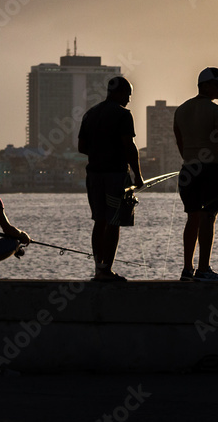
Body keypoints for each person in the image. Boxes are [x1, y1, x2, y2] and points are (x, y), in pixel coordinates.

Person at [173, 67, 218, 281]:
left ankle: (187, 269)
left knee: (192, 217)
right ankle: (203, 269)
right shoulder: (216, 111)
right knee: (208, 217)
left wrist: (190, 160)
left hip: (188, 170)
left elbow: (180, 141)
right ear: (205, 85)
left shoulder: (181, 110)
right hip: (211, 170)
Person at [78, 75, 145, 282]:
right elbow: (129, 146)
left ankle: (99, 268)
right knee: (114, 221)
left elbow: (81, 147)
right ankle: (107, 270)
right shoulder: (123, 115)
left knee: (99, 221)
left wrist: (99, 151)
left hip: (94, 175)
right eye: (128, 95)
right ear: (120, 93)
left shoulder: (90, 114)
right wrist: (138, 175)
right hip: (115, 175)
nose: (129, 99)